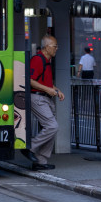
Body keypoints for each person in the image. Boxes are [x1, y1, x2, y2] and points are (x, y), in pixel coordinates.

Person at [27, 34, 64, 170]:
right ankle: (30, 146)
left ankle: (40, 161)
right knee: (52, 126)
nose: (56, 49)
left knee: (50, 129)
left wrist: (56, 90)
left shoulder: (46, 61)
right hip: (37, 98)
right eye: (55, 46)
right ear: (47, 47)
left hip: (45, 98)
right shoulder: (37, 60)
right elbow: (30, 81)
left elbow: (46, 82)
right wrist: (48, 90)